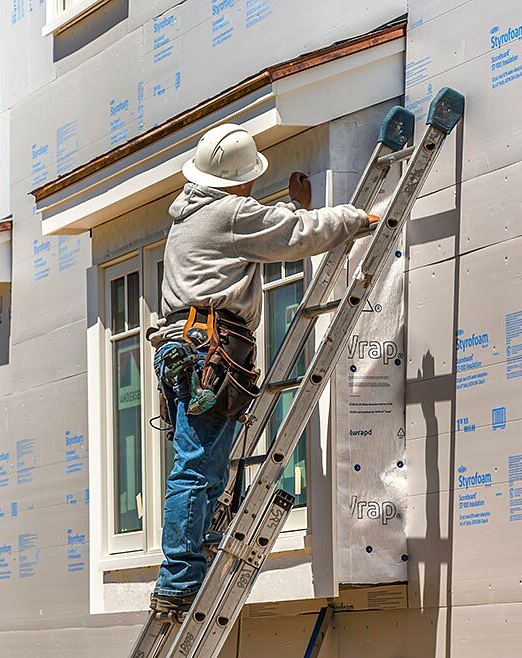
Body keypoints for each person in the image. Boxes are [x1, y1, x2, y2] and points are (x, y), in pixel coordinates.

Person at [148, 123, 378, 613]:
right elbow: (292, 238)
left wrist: (294, 208)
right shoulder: (228, 213)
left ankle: (185, 567)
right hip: (207, 347)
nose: (253, 186)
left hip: (187, 347)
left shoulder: (191, 217)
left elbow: (263, 235)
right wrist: (355, 218)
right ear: (237, 179)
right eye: (250, 178)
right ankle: (180, 578)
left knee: (201, 466)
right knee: (197, 469)